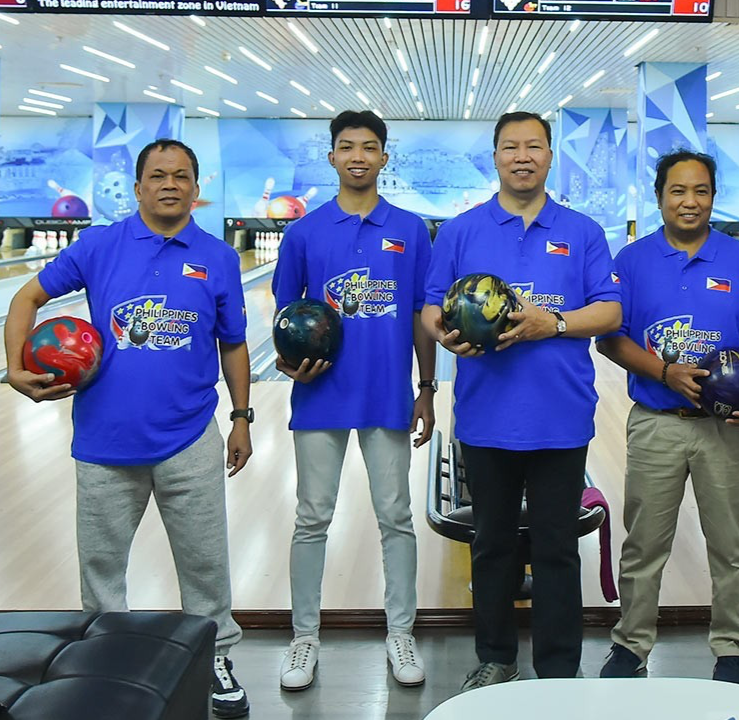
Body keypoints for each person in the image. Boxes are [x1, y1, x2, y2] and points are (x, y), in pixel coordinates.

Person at [4, 139, 253, 719]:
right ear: (138, 187)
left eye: (182, 176)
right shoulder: (98, 245)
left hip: (190, 436)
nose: (170, 184)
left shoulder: (218, 256)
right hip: (104, 440)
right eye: (158, 175)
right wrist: (15, 366)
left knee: (206, 565)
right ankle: (108, 659)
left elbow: (236, 343)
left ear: (196, 188)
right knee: (102, 571)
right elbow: (26, 296)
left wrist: (241, 417)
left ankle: (214, 654)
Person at [421, 111, 621, 691]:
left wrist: (551, 323)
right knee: (491, 547)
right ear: (496, 156)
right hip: (486, 419)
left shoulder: (581, 231)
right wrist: (449, 333)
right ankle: (496, 657)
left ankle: (559, 669)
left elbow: (610, 311)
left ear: (550, 156)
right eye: (511, 146)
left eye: (534, 145)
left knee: (559, 549)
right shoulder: (461, 231)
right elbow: (433, 307)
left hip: (560, 417)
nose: (522, 155)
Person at [597, 150, 739, 685]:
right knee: (644, 543)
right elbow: (610, 338)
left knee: (731, 545)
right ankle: (631, 644)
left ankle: (732, 648)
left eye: (701, 190)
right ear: (660, 196)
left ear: (712, 196)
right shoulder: (632, 261)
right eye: (678, 191)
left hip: (725, 429)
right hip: (658, 420)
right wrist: (664, 372)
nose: (690, 201)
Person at [272, 110, 435, 691]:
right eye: (347, 147)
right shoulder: (304, 233)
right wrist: (291, 364)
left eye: (370, 147)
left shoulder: (412, 230)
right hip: (320, 396)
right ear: (333, 156)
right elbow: (285, 314)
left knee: (396, 516)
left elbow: (422, 315)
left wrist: (426, 388)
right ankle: (304, 637)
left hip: (387, 393)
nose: (359, 156)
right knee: (312, 517)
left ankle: (401, 631)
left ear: (384, 157)